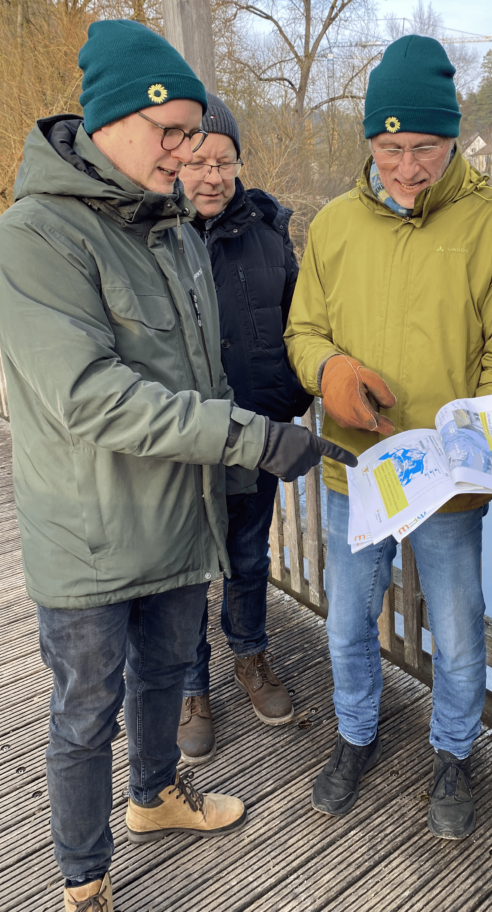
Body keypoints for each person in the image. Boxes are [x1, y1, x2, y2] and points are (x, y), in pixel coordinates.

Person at [0, 19, 355, 912]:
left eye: (195, 134)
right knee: (84, 710)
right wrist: (256, 438)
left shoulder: (175, 230)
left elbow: (203, 370)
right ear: (110, 121)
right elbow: (91, 396)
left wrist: (252, 444)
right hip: (92, 530)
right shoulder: (32, 239)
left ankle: (152, 800)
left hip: (181, 515)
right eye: (171, 133)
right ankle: (84, 878)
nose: (188, 154)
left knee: (161, 677)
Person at [284, 34, 492, 840]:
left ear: (453, 137)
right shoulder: (330, 226)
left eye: (424, 147)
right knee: (347, 620)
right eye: (390, 147)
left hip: (450, 482)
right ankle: (356, 735)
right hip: (354, 474)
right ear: (368, 141)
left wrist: (472, 431)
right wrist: (327, 372)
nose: (406, 167)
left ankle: (453, 752)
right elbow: (304, 330)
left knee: (461, 631)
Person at [176, 93, 311, 763]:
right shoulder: (155, 234)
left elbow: (298, 323)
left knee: (250, 558)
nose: (210, 175)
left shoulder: (269, 231)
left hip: (258, 432)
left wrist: (288, 397)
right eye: (196, 160)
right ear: (175, 163)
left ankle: (250, 659)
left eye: (223, 160)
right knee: (185, 570)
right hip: (182, 442)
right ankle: (191, 686)